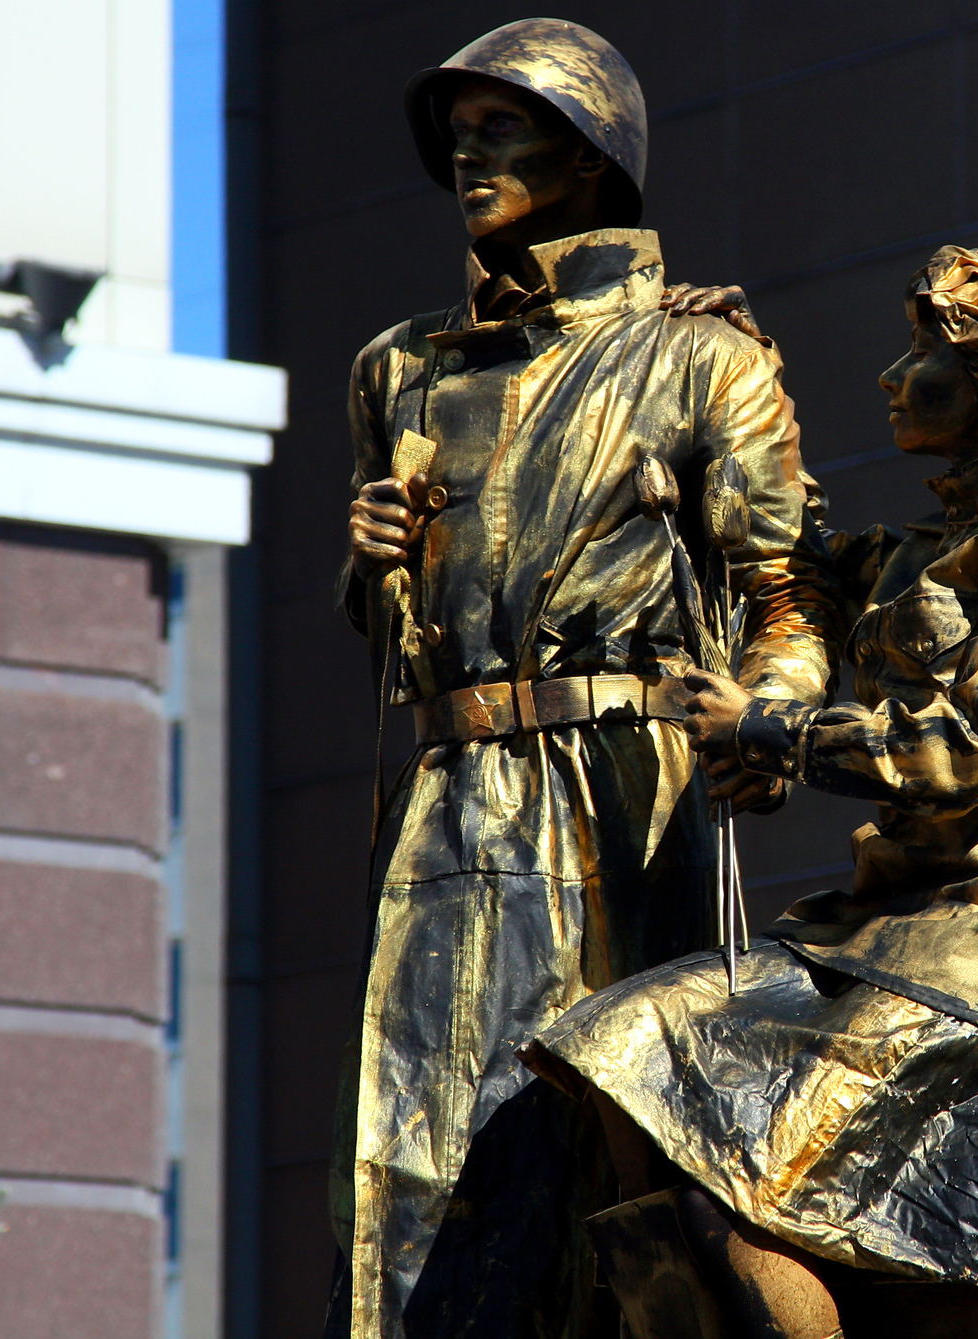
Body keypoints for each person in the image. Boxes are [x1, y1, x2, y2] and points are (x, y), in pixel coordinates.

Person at [524, 202, 978, 1338]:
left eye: (926, 351)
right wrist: (738, 371)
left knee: (662, 1078)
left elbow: (963, 744)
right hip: (899, 915)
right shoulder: (924, 551)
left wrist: (769, 732)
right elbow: (799, 555)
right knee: (631, 1090)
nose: (893, 375)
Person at [329, 18, 837, 1338]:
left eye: (504, 124)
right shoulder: (403, 370)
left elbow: (787, 590)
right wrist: (372, 560)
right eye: (459, 126)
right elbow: (406, 632)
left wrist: (770, 717)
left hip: (617, 804)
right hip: (445, 816)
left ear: (593, 155)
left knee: (586, 1158)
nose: (467, 148)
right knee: (407, 1163)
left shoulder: (699, 353)